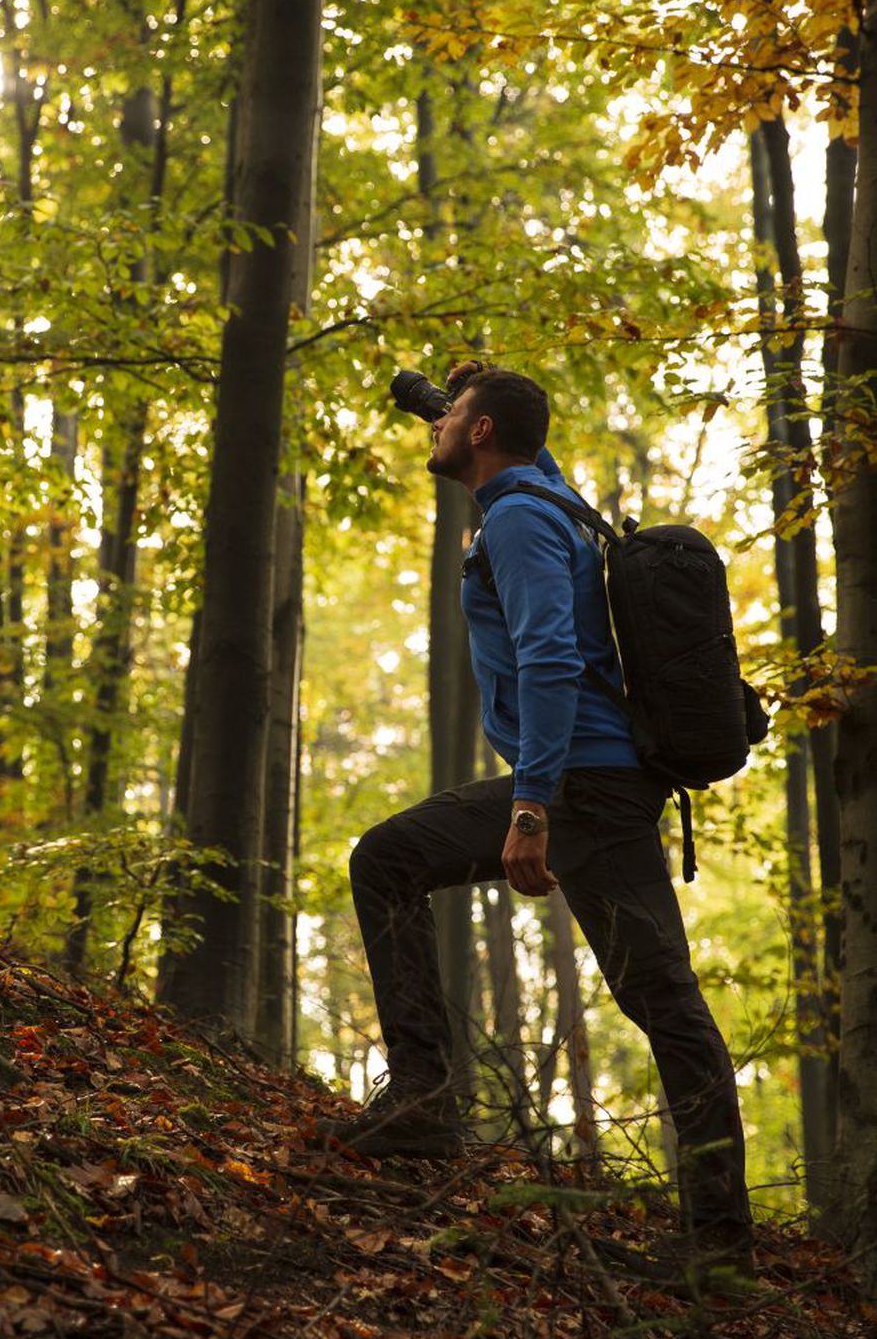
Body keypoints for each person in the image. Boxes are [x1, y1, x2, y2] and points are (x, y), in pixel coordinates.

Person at [313, 362, 751, 1268]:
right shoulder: (550, 499)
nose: (435, 432)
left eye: (450, 420)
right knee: (668, 1002)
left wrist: (531, 805)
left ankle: (424, 1095)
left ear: (480, 436)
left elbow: (549, 659)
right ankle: (721, 1241)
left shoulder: (515, 521)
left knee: (384, 861)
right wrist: (455, 394)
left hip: (577, 787)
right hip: (612, 786)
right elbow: (519, 445)